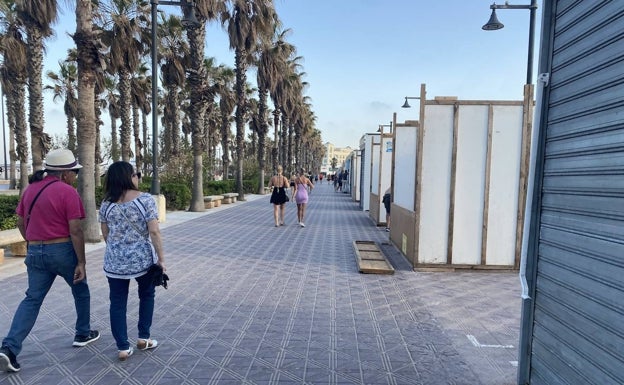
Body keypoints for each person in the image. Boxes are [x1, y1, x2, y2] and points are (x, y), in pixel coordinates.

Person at [0, 149, 99, 373]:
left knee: (32, 299)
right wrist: (81, 262)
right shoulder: (67, 192)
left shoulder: (30, 190)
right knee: (80, 290)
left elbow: (20, 222)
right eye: (74, 171)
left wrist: (33, 242)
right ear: (64, 173)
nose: (75, 175)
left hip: (35, 251)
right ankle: (83, 333)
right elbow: (75, 230)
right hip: (62, 250)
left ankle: (9, 348)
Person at [99, 161, 165, 361]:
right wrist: (161, 259)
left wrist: (118, 249)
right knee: (146, 295)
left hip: (114, 263)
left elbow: (105, 234)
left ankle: (122, 347)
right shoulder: (145, 200)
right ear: (129, 177)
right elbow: (153, 231)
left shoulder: (106, 204)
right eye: (136, 174)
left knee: (117, 303)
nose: (138, 177)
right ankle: (144, 338)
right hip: (142, 260)